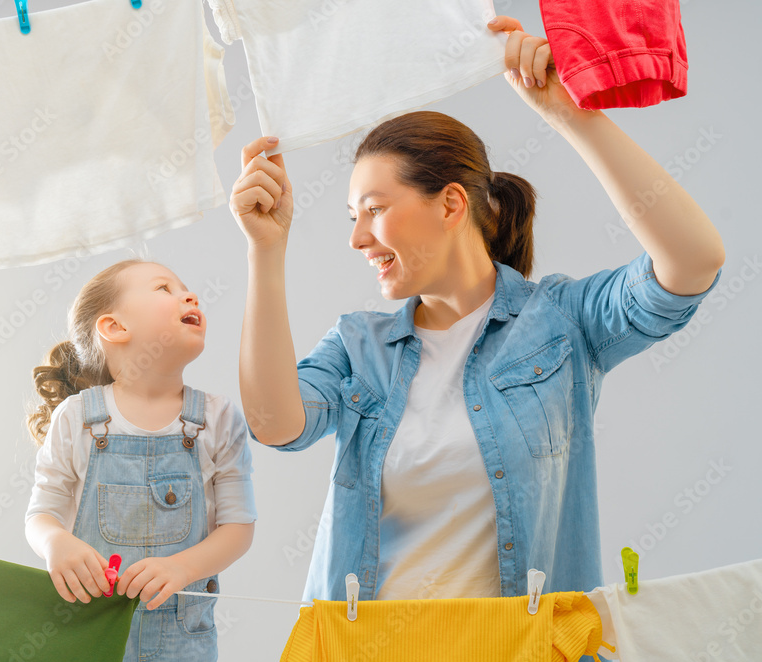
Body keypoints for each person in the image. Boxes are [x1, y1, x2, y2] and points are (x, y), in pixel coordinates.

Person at [231, 13, 725, 611]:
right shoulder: (358, 346)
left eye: (374, 210)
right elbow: (274, 423)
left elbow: (693, 263)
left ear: (451, 204)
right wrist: (265, 250)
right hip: (372, 651)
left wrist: (574, 118)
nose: (358, 239)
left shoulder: (562, 324)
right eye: (351, 218)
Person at [23, 258, 257, 662]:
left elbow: (239, 528)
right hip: (88, 638)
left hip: (183, 643)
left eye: (186, 287)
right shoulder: (76, 418)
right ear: (115, 328)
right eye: (164, 288)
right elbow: (41, 515)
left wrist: (182, 569)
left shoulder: (219, 418)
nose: (190, 294)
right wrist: (55, 543)